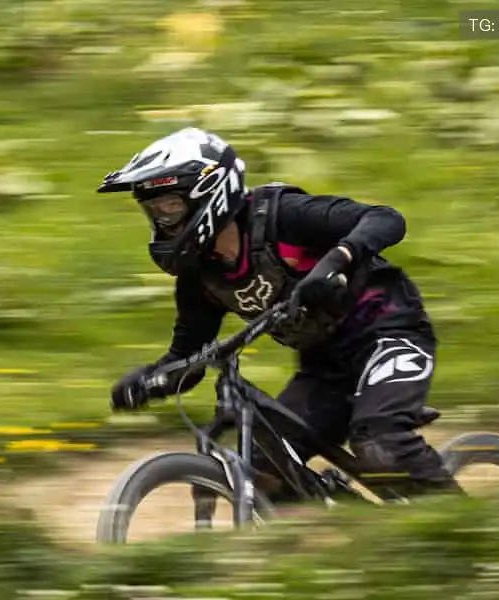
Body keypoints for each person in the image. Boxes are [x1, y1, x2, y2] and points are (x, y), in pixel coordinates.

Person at [98, 127, 460, 503]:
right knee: (264, 469)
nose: (161, 221)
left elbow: (386, 219)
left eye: (169, 207)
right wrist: (150, 381)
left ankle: (474, 534)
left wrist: (337, 260)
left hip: (388, 333)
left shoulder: (281, 217)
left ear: (209, 192)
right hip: (325, 369)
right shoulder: (200, 278)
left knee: (381, 442)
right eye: (153, 212)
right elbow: (189, 357)